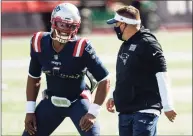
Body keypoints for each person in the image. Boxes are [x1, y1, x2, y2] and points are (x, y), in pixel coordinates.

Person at [22, 3, 110, 136]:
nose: (65, 30)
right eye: (62, 24)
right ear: (53, 22)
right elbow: (34, 78)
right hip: (51, 102)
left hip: (78, 102)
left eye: (71, 26)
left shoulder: (82, 46)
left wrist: (93, 112)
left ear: (77, 26)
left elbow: (104, 80)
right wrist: (30, 111)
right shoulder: (39, 42)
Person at [106, 5, 177, 136]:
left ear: (124, 24)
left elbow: (162, 74)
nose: (115, 27)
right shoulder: (126, 44)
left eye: (116, 23)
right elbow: (123, 74)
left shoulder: (149, 44)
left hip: (145, 112)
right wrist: (113, 95)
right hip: (126, 110)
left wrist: (168, 105)